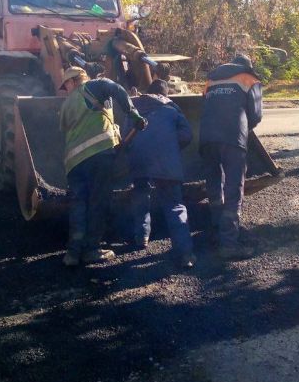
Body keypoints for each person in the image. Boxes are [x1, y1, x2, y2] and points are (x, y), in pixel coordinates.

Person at [59, 66, 147, 267]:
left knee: (79, 204)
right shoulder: (92, 86)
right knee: (98, 201)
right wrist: (133, 114)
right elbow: (115, 88)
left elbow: (64, 131)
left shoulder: (65, 105)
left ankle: (72, 253)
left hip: (73, 163)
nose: (66, 88)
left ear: (73, 80)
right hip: (98, 156)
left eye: (66, 84)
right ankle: (91, 250)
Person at [127, 79, 196, 269]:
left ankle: (141, 237)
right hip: (165, 162)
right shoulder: (172, 109)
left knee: (141, 194)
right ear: (165, 95)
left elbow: (126, 135)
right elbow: (187, 135)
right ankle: (185, 254)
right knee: (174, 205)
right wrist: (171, 147)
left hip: (139, 160)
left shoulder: (134, 108)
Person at [199, 54, 262, 259]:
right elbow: (256, 114)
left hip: (207, 138)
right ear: (247, 66)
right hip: (233, 138)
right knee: (233, 188)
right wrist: (244, 128)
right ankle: (229, 243)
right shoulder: (249, 79)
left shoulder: (212, 79)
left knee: (215, 186)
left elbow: (205, 105)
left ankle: (217, 230)